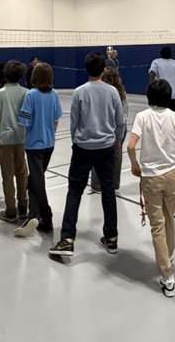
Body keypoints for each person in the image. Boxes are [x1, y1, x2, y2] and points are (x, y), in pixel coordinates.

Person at [49, 52, 125, 258]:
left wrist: (77, 141)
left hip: (83, 148)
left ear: (87, 69)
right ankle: (111, 237)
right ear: (103, 70)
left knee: (74, 191)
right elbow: (120, 121)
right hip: (107, 147)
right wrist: (116, 141)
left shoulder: (80, 92)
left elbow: (74, 122)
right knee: (108, 191)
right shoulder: (112, 92)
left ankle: (67, 239)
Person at [127, 79, 175, 298]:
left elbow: (130, 145)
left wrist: (135, 165)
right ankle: (169, 259)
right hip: (171, 176)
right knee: (169, 219)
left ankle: (167, 276)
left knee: (157, 225)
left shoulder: (142, 117)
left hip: (151, 178)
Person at [15, 62, 63, 237]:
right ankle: (33, 215)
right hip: (49, 145)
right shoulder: (54, 94)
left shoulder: (31, 95)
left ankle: (45, 216)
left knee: (37, 182)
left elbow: (24, 122)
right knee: (34, 180)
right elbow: (57, 118)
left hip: (34, 145)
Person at [0, 61, 29, 224]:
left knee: (7, 175)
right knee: (22, 173)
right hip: (21, 137)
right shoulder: (27, 93)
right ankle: (23, 206)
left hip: (5, 139)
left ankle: (11, 210)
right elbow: (27, 117)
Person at [90, 68, 129, 193]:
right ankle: (113, 184)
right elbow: (123, 115)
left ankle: (97, 184)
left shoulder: (100, 92)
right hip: (119, 127)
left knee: (97, 155)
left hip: (103, 127)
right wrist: (119, 135)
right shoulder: (122, 93)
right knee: (116, 156)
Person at [149, 46, 175, 111]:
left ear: (161, 53)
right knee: (172, 114)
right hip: (174, 95)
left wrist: (152, 89)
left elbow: (152, 74)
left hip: (160, 93)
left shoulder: (156, 62)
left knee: (160, 114)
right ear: (171, 54)